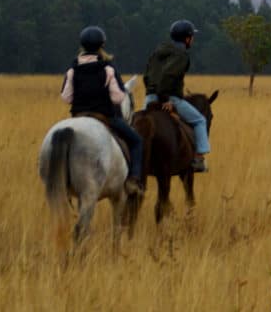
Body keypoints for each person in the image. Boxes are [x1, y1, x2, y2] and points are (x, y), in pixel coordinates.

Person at [60, 26, 145, 195]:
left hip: (77, 116)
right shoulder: (108, 68)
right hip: (104, 116)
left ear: (82, 45)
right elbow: (118, 98)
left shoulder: (73, 68)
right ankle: (133, 181)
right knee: (136, 141)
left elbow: (66, 97)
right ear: (102, 45)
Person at [142, 19, 211, 172]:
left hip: (149, 97)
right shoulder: (181, 55)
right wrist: (166, 99)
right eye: (192, 36)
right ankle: (199, 159)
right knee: (200, 120)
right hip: (169, 97)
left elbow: (146, 76)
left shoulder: (157, 52)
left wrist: (153, 93)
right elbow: (168, 75)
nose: (192, 39)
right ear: (187, 38)